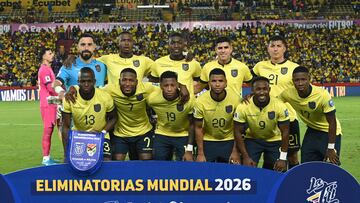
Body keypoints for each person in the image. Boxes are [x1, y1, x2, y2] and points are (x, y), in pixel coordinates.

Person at [252, 35, 301, 169]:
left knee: (292, 155)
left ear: (285, 48)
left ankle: (294, 181)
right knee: (270, 154)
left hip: (288, 117)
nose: (275, 49)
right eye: (272, 46)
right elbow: (253, 85)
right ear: (267, 49)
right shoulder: (259, 67)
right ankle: (270, 182)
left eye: (279, 46)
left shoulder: (294, 68)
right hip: (265, 117)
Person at [279, 66, 341, 165]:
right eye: (297, 80)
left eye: (303, 79)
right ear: (293, 81)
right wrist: (252, 96)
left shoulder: (322, 95)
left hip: (329, 132)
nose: (300, 83)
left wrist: (331, 147)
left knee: (331, 166)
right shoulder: (288, 93)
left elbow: (332, 122)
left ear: (309, 79)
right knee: (306, 166)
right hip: (312, 131)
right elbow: (273, 102)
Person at [234, 76, 290, 171]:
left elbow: (285, 132)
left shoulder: (279, 105)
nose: (262, 92)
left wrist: (283, 158)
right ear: (252, 90)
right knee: (247, 170)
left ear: (269, 89)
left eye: (265, 89)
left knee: (280, 169)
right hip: (253, 139)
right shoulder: (243, 106)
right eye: (258, 89)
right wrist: (246, 156)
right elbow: (237, 131)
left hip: (274, 140)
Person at [61, 68, 117, 161]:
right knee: (79, 164)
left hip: (100, 135)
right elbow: (65, 126)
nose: (86, 84)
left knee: (107, 161)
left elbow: (114, 118)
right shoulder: (70, 98)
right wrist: (66, 153)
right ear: (78, 81)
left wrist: (103, 132)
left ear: (94, 81)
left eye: (89, 81)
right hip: (79, 136)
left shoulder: (105, 97)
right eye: (83, 81)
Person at [103, 68, 155, 161]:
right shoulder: (110, 89)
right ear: (119, 81)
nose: (127, 84)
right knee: (117, 161)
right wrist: (74, 88)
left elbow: (165, 86)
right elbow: (94, 90)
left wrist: (182, 86)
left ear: (137, 82)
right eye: (124, 80)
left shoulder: (147, 88)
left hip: (143, 131)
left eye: (131, 80)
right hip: (120, 133)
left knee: (146, 160)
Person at [194, 68, 241, 163]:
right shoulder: (200, 101)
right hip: (208, 141)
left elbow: (238, 127)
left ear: (226, 82)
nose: (217, 84)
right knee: (206, 174)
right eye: (214, 81)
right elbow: (198, 128)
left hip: (229, 141)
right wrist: (200, 153)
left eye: (220, 81)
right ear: (209, 83)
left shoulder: (235, 99)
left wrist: (235, 150)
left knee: (231, 174)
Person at [147, 71, 195, 161]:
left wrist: (189, 149)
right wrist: (151, 118)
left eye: (172, 85)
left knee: (185, 165)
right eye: (166, 86)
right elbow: (146, 108)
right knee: (159, 164)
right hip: (162, 134)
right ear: (161, 86)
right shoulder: (153, 99)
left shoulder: (189, 100)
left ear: (177, 85)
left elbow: (192, 124)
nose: (169, 89)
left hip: (183, 134)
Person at [53, 33, 107, 97]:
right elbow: (56, 83)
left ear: (94, 47)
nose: (86, 48)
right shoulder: (69, 66)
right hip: (76, 106)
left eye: (89, 44)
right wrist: (61, 91)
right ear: (77, 47)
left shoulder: (103, 65)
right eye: (83, 44)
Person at [150, 32, 202, 97]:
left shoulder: (193, 63)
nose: (176, 46)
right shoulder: (158, 63)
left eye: (179, 43)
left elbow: (201, 82)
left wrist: (192, 93)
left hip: (187, 105)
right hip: (165, 105)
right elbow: (152, 83)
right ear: (168, 45)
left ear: (184, 44)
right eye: (172, 43)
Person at [37, 47, 59, 166]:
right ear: (44, 56)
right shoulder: (44, 70)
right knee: (48, 130)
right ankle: (45, 159)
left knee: (50, 131)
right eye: (50, 53)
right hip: (48, 104)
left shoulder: (47, 69)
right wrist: (62, 94)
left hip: (51, 103)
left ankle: (47, 157)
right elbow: (50, 88)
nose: (52, 55)